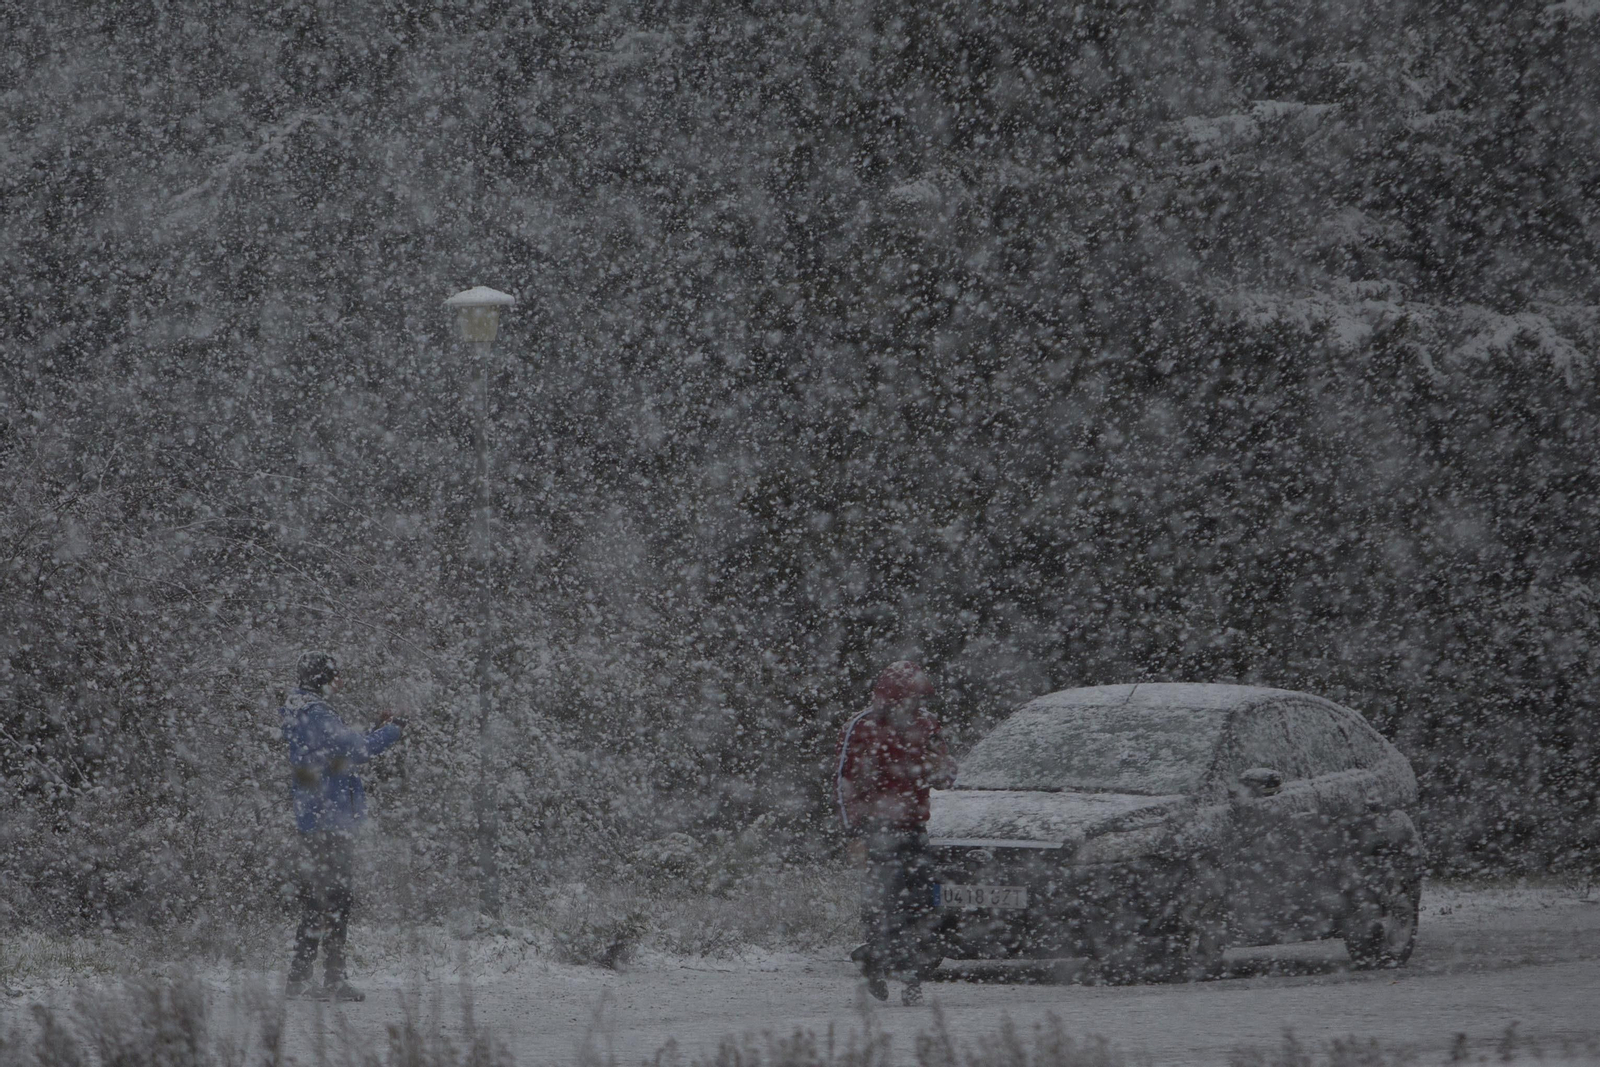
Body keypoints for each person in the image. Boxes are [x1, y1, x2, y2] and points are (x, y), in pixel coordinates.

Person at [279, 652, 403, 1002]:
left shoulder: (300, 709)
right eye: (334, 676)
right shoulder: (317, 712)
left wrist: (374, 729)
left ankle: (303, 978)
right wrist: (393, 730)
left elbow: (339, 747)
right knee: (335, 900)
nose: (340, 682)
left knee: (320, 899)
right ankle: (329, 979)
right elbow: (356, 750)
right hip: (329, 818)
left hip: (314, 816)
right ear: (320, 678)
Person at [835, 660, 956, 1005]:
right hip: (877, 830)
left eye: (919, 698)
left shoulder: (929, 725)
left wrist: (937, 767)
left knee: (922, 903)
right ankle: (883, 962)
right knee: (885, 903)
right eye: (909, 698)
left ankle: (899, 968)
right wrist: (853, 833)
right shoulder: (861, 726)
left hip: (915, 828)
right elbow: (844, 782)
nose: (915, 705)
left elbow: (947, 776)